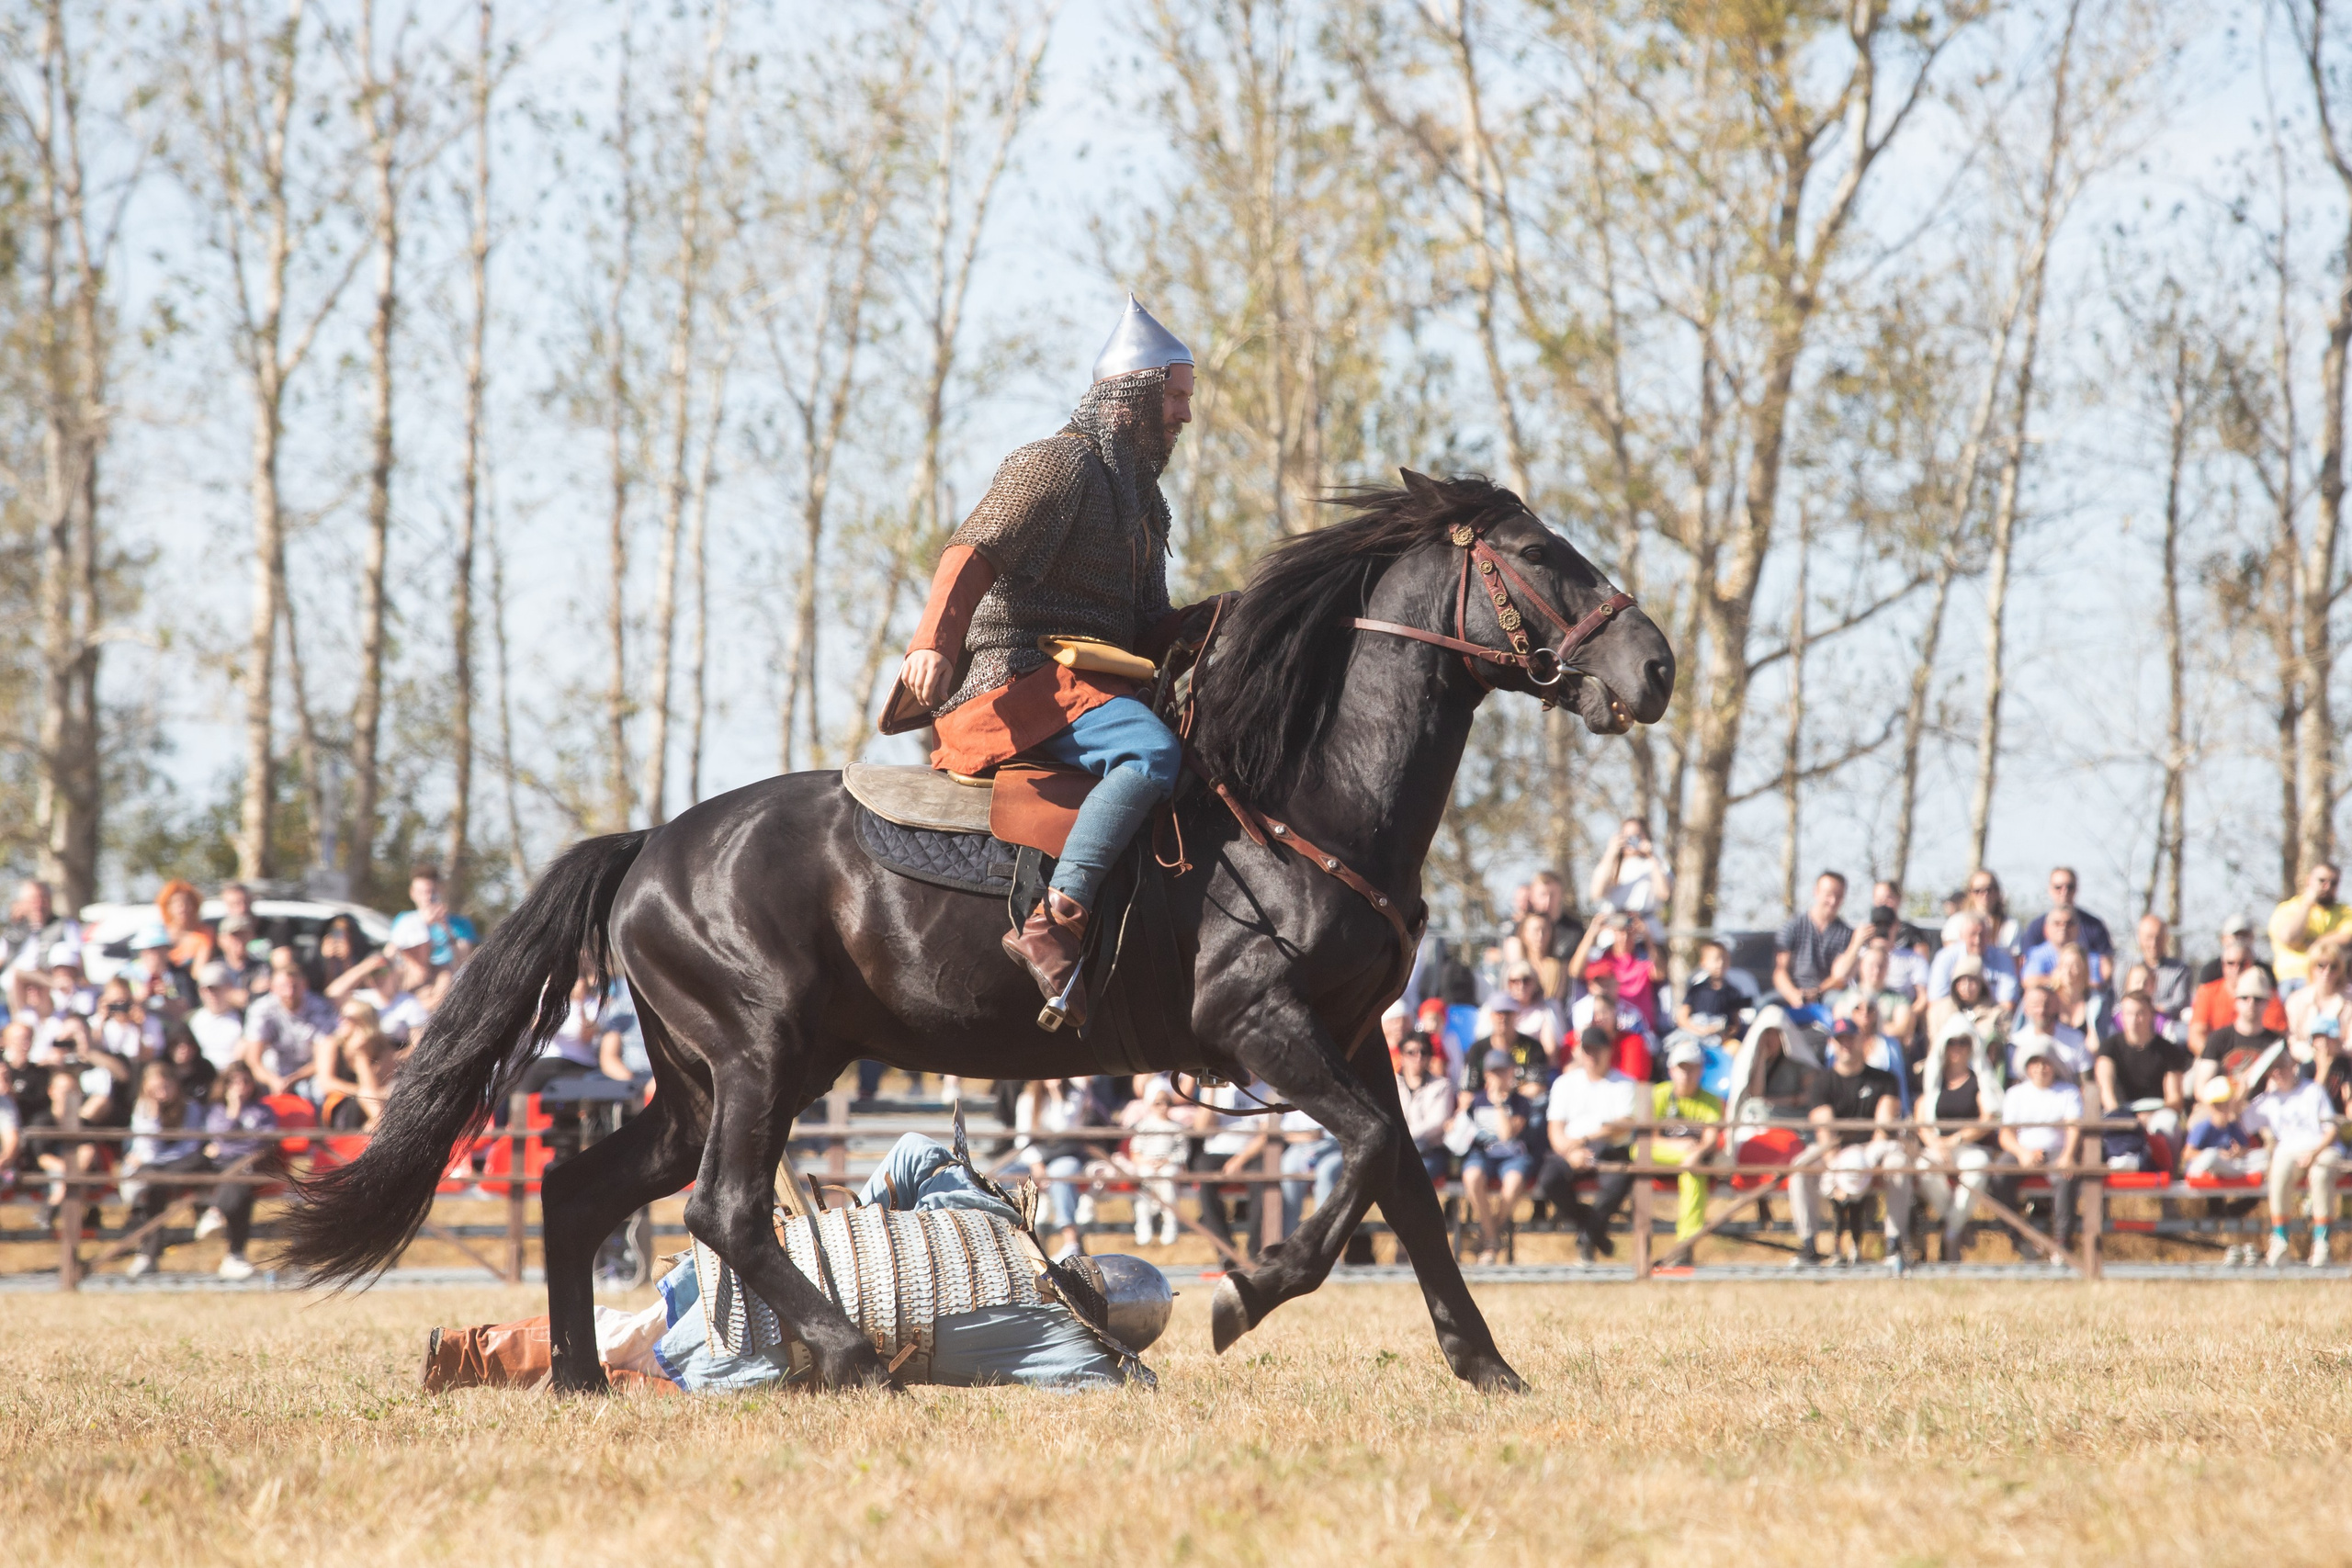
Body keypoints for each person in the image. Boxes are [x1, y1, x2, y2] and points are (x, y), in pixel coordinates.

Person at [890, 298, 1204, 1028]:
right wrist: (933, 642)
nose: (1185, 416)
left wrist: (1231, 615)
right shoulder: (1057, 465)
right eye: (1177, 397)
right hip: (1015, 682)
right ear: (1131, 397)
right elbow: (973, 551)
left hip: (1086, 687)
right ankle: (1055, 920)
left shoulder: (1147, 507)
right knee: (1150, 751)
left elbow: (1149, 628)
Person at [1792, 1013, 1909, 1269]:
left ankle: (1894, 1242)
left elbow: (1884, 1125)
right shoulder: (1821, 1082)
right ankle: (1808, 1243)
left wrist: (1862, 1164)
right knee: (1799, 1167)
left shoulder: (1885, 1079)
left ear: (1862, 1041)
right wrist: (1838, 1169)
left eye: (1850, 1039)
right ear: (1832, 1044)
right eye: (1840, 1040)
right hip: (1833, 1151)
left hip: (1873, 1148)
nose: (1845, 1045)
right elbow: (1825, 1130)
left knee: (1898, 1164)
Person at [2248, 1050, 2344, 1266]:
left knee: (2320, 1175)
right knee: (2278, 1172)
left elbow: (2331, 1130)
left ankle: (2322, 1243)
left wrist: (2314, 1153)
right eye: (2273, 1070)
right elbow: (2239, 1119)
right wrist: (2244, 1085)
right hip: (2290, 1154)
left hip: (2322, 1148)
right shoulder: (2268, 1100)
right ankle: (2281, 1240)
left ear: (2292, 1067)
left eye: (2282, 1067)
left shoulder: (2313, 1090)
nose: (2278, 1073)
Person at [1915, 1018, 1999, 1259]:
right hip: (1936, 1145)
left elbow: (1988, 1118)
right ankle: (1956, 1224)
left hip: (1969, 1145)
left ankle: (1950, 1233)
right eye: (1952, 1043)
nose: (1958, 1048)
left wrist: (1955, 1140)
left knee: (1978, 1167)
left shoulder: (1978, 1081)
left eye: (1964, 1043)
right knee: (1924, 1168)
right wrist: (1937, 1145)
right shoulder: (1934, 1081)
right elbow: (1921, 1121)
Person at [1994, 1038, 2085, 1256]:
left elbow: (2074, 1127)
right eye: (2035, 1062)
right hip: (2022, 1149)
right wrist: (2022, 1153)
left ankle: (2062, 1242)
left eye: (2046, 1062)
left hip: (2057, 1149)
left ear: (2054, 1066)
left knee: (2065, 1177)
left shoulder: (2068, 1092)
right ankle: (2016, 1237)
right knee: (1998, 1175)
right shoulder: (2015, 1094)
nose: (2041, 1068)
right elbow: (2006, 1134)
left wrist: (2068, 1155)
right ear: (2027, 1067)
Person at [121, 1062, 208, 1278]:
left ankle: (147, 1254)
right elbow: (147, 1150)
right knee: (154, 1187)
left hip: (182, 1165)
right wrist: (153, 1116)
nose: (161, 1093)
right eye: (154, 1089)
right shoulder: (143, 1109)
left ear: (175, 1085)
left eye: (165, 1086)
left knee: (196, 1162)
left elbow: (190, 1146)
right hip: (156, 1168)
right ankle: (148, 1255)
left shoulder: (191, 1108)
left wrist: (162, 1163)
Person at [193, 1060, 277, 1280]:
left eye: (245, 1082)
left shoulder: (262, 1110)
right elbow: (218, 1135)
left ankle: (215, 1214)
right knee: (236, 1185)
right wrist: (234, 1110)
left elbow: (265, 1139)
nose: (240, 1087)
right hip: (219, 1165)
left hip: (250, 1164)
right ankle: (235, 1255)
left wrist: (232, 1145)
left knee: (240, 1180)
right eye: (233, 1082)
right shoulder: (217, 1109)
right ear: (225, 1084)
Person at [1451, 1051, 1536, 1264]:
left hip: (1512, 1156)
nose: (1498, 1077)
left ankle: (1489, 1236)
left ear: (1511, 1073)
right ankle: (1493, 1237)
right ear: (1486, 1075)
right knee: (1472, 1177)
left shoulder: (1521, 1103)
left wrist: (1499, 1104)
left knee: (1514, 1181)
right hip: (1482, 1154)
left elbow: (1508, 1135)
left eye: (1503, 1071)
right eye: (1493, 1072)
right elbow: (1458, 1131)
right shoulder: (1476, 1101)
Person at [2093, 992, 2188, 1171]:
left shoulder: (2169, 1050)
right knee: (2105, 1126)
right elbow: (2106, 1089)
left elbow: (2175, 1099)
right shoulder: (2109, 1047)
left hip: (2158, 1111)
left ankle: (2169, 1178)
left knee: (2168, 1124)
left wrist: (2149, 1117)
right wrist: (2125, 1119)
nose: (2134, 1020)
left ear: (2151, 1014)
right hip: (2121, 1111)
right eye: (2128, 1014)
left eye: (2140, 1013)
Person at [1647, 1038, 1724, 1242]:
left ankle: (1686, 1243)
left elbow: (1711, 1138)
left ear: (1701, 1071)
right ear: (1671, 1070)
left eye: (1692, 1068)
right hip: (1658, 1156)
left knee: (1695, 1171)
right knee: (1640, 1151)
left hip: (1692, 1159)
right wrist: (1680, 1148)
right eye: (1682, 1068)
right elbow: (1648, 1139)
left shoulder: (1711, 1100)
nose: (1686, 1075)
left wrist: (1695, 1154)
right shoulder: (1658, 1094)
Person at [240, 951, 337, 1100]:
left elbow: (324, 1058)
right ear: (272, 987)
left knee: (319, 1092)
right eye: (284, 986)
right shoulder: (261, 1009)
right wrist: (273, 1080)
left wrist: (294, 1078)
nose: (289, 992)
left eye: (294, 986)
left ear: (305, 985)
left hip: (309, 1072)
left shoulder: (319, 1007)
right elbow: (253, 1059)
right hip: (271, 1071)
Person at [2188, 920, 2288, 1058]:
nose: (2236, 969)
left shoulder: (2267, 995)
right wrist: (2215, 1057)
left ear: (2252, 964)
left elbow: (2276, 1035)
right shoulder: (2208, 992)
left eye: (2242, 963)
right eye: (2230, 963)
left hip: (2260, 1061)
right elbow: (2196, 1036)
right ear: (2222, 965)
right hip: (2217, 1060)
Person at [1773, 871, 1855, 1026]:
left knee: (1845, 1007)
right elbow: (1780, 971)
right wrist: (1793, 995)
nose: (1833, 901)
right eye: (1829, 895)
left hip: (1827, 994)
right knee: (1763, 1007)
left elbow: (1839, 978)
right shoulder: (1792, 926)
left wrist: (1817, 993)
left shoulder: (1846, 934)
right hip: (1792, 990)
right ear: (1816, 892)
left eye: (1839, 896)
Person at [1117, 1074, 1188, 1247]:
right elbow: (1136, 1151)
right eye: (1158, 1103)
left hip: (1168, 1165)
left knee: (1167, 1182)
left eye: (1167, 1102)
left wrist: (1166, 1161)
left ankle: (1171, 1226)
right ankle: (1143, 1226)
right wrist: (1147, 1161)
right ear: (1150, 1104)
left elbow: (1182, 1152)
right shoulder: (1143, 1126)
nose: (1163, 1107)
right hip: (1147, 1165)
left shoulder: (1177, 1127)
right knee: (1145, 1184)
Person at [314, 1000, 407, 1129]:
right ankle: (380, 1124)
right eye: (341, 1015)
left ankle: (377, 1125)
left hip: (375, 1103)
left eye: (348, 1018)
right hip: (343, 1103)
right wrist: (360, 1091)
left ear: (364, 1022)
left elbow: (378, 1085)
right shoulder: (331, 1044)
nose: (341, 1020)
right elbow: (326, 1083)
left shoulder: (384, 1048)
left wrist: (361, 1054)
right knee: (370, 1098)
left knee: (386, 1106)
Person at [1567, 908, 1661, 1033]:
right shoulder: (1603, 961)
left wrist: (1647, 935)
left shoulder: (1643, 961)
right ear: (1612, 931)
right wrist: (1592, 932)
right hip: (1608, 1027)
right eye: (1620, 931)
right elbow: (1575, 971)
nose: (1625, 937)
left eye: (1629, 932)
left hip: (1639, 1031)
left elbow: (1660, 973)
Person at [2267, 862, 2350, 991]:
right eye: (2322, 881)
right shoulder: (2288, 908)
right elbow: (2290, 938)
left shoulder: (2344, 912)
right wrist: (2307, 905)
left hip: (2331, 981)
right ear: (2309, 880)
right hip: (2293, 979)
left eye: (2333, 883)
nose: (2327, 887)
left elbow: (2347, 937)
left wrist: (2314, 943)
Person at [1588, 818, 1672, 940]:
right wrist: (1611, 852)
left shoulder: (1657, 864)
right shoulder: (1612, 865)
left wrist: (1651, 856)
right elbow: (1596, 893)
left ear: (1645, 836)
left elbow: (1664, 893)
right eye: (1627, 836)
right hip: (1614, 934)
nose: (1631, 840)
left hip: (1646, 934)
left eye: (1636, 835)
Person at [1569, 960, 1652, 1079]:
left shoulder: (1632, 1017)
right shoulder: (1580, 1010)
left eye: (1608, 982)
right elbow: (1569, 1071)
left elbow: (1636, 1075)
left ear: (1617, 984)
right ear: (1590, 986)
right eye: (1599, 983)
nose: (1603, 988)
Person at [1395, 1031, 1456, 1188]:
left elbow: (1437, 1122)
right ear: (1401, 1056)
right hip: (1396, 1152)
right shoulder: (1391, 1084)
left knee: (1409, 1179)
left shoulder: (1442, 1085)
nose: (1418, 1057)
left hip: (1431, 1152)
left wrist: (1402, 1136)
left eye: (1423, 1052)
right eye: (1411, 1052)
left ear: (1429, 1057)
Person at [2018, 866, 2113, 964]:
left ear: (2076, 888)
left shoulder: (2094, 925)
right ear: (2050, 889)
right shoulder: (2036, 926)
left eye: (2070, 887)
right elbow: (2026, 966)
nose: (2064, 892)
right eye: (2058, 887)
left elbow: (2106, 967)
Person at [1928, 912, 2020, 1010]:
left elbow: (2008, 1003)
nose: (1977, 940)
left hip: (1991, 1016)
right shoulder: (1945, 957)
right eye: (1972, 935)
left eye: (1982, 935)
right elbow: (1936, 1001)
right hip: (1953, 1015)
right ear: (1961, 936)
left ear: (1989, 936)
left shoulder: (2003, 959)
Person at [1, 879, 79, 986]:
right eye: (33, 900)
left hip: (52, 988)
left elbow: (78, 961)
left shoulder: (65, 925)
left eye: (43, 899)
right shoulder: (13, 931)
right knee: (16, 973)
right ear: (23, 903)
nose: (39, 905)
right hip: (15, 989)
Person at [2284, 938, 2352, 1058]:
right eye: (2321, 965)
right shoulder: (2296, 1000)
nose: (2327, 971)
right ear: (2311, 966)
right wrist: (2312, 1054)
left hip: (2343, 1064)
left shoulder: (2349, 1001)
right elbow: (2292, 1039)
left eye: (2333, 966)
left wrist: (2334, 1051)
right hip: (2304, 1065)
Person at [406, 865, 479, 970]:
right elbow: (394, 954)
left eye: (432, 891)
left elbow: (463, 962)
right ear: (412, 893)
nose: (428, 897)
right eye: (421, 892)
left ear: (441, 890)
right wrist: (425, 925)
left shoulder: (462, 924)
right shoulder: (405, 922)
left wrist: (445, 927)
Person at [2137, 914, 2196, 1042]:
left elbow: (2179, 1003)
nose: (2153, 944)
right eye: (2149, 938)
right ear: (2140, 938)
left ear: (2166, 939)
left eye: (2158, 938)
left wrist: (2149, 1010)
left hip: (2169, 1025)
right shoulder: (2129, 968)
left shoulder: (2180, 970)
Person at [1675, 938, 1747, 1041]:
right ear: (1704, 962)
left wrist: (1725, 1034)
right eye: (1716, 959)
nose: (1720, 964)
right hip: (1696, 1037)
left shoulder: (1734, 992)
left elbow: (1736, 1023)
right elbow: (1682, 1018)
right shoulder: (1696, 990)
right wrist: (1700, 1031)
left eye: (1725, 959)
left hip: (1722, 1041)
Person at [2024, 908, 2108, 992]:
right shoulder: (2037, 954)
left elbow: (2095, 984)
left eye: (2069, 924)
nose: (2063, 928)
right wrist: (2063, 981)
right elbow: (2029, 981)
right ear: (2046, 929)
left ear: (2078, 928)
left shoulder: (2089, 957)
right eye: (2057, 923)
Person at [186, 963, 248, 1070]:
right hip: (204, 1075)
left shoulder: (244, 1019)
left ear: (229, 987)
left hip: (233, 1075)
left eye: (216, 988)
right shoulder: (193, 1020)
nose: (210, 994)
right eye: (205, 990)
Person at [154, 879, 216, 974]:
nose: (182, 908)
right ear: (167, 907)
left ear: (194, 906)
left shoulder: (204, 934)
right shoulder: (158, 935)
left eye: (186, 902)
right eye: (175, 903)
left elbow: (198, 972)